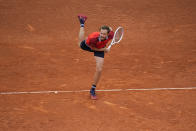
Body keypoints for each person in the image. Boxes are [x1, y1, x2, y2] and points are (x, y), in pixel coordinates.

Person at [77, 14, 114, 100]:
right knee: (79, 43)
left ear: (108, 34)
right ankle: (82, 23)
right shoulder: (94, 38)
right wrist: (104, 50)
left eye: (104, 34)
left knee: (99, 69)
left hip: (101, 47)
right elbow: (93, 48)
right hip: (88, 45)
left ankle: (92, 89)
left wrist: (103, 48)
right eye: (101, 33)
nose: (102, 35)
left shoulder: (111, 35)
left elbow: (111, 29)